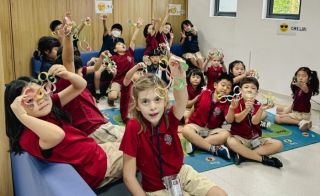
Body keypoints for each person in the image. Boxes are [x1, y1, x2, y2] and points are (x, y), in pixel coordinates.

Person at [120, 57, 227, 195]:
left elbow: (181, 100)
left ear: (165, 101)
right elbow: (128, 177)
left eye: (157, 99)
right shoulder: (134, 127)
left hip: (181, 173)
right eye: (145, 101)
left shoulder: (169, 117)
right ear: (138, 106)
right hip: (155, 187)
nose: (152, 107)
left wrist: (178, 77)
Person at [5, 65, 123, 189]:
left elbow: (80, 85)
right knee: (142, 147)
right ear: (18, 110)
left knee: (136, 138)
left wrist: (67, 75)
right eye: (29, 100)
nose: (40, 100)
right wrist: (22, 116)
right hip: (99, 167)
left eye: (40, 92)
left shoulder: (48, 107)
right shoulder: (28, 136)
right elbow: (57, 135)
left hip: (97, 151)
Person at [54, 23, 124, 143]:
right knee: (135, 142)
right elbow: (68, 60)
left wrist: (101, 58)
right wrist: (68, 35)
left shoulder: (78, 78)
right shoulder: (68, 82)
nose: (82, 75)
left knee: (136, 134)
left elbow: (94, 69)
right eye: (80, 73)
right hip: (96, 130)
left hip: (102, 124)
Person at [227, 77, 283, 168]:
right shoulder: (237, 102)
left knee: (279, 144)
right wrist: (246, 110)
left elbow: (255, 121)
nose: (249, 90)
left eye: (253, 88)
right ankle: (261, 159)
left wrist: (261, 109)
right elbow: (237, 119)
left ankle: (244, 155)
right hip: (240, 138)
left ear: (256, 93)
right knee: (231, 141)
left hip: (255, 139)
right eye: (246, 87)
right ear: (240, 90)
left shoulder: (257, 104)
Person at [182, 74, 235, 160]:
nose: (225, 88)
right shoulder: (205, 93)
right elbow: (195, 106)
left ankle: (195, 144)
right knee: (185, 130)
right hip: (197, 126)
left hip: (212, 130)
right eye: (223, 85)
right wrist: (187, 117)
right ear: (215, 85)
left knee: (226, 134)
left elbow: (229, 120)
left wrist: (232, 108)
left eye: (228, 87)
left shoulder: (227, 103)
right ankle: (213, 149)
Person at [107, 17, 143, 106]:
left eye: (122, 44)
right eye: (119, 44)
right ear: (115, 50)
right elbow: (108, 66)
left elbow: (133, 40)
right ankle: (112, 94)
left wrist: (138, 28)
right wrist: (111, 70)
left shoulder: (129, 53)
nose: (122, 44)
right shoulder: (114, 58)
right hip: (118, 80)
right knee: (113, 97)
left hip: (129, 79)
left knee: (132, 99)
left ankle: (126, 94)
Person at [275, 67, 319, 131]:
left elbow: (304, 88)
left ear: (309, 78)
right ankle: (296, 118)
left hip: (301, 114)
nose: (301, 78)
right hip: (295, 111)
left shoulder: (307, 89)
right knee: (278, 108)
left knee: (277, 118)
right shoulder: (298, 89)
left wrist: (285, 114)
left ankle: (301, 122)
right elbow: (294, 103)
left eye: (304, 76)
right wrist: (285, 112)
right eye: (298, 75)